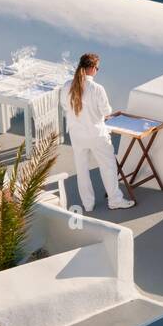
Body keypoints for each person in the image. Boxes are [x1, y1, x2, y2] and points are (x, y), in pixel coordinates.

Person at [65, 53, 133, 211]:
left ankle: (88, 205)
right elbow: (106, 111)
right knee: (108, 166)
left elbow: (65, 106)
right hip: (96, 134)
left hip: (77, 135)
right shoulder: (97, 89)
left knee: (82, 170)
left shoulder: (67, 86)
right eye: (97, 68)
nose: (97, 70)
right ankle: (115, 200)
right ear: (91, 68)